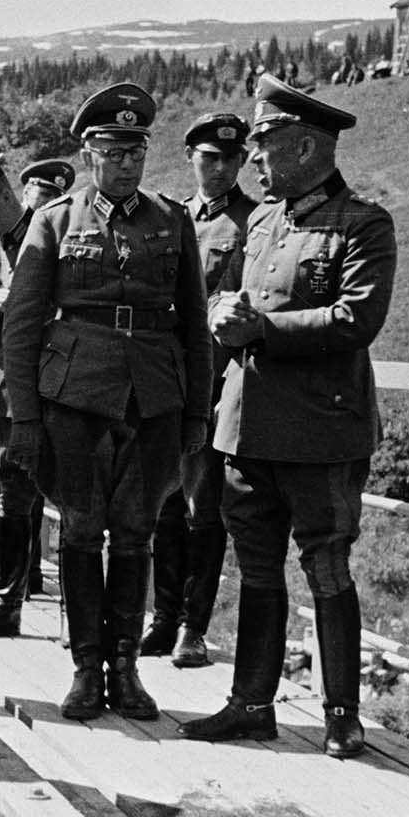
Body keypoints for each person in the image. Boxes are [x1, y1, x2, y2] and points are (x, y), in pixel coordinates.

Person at [179, 76, 396, 759]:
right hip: (249, 427)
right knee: (257, 565)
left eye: (266, 145)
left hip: (320, 430)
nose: (256, 159)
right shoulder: (266, 221)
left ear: (307, 145)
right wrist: (223, 315)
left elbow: (355, 317)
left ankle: (341, 713)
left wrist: (259, 328)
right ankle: (251, 702)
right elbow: (237, 299)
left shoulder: (363, 224)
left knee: (327, 565)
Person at [2, 83, 212, 720]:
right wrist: (24, 417)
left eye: (138, 150)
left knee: (135, 532)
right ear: (91, 151)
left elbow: (194, 325)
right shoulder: (56, 220)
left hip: (153, 400)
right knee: (82, 530)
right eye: (116, 150)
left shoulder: (173, 221)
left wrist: (197, 416)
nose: (128, 162)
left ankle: (126, 669)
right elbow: (21, 323)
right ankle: (86, 668)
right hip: (75, 399)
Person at [142, 113, 257, 668]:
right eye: (207, 158)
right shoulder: (171, 219)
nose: (216, 168)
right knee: (163, 506)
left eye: (228, 160)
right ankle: (162, 618)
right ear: (191, 158)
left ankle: (193, 626)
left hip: (214, 385)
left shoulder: (253, 223)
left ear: (239, 164)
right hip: (164, 385)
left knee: (202, 510)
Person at [0, 157, 74, 637]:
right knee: (12, 499)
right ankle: (8, 605)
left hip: (56, 391)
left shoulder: (56, 235)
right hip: (5, 397)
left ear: (6, 196)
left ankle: (78, 617)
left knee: (72, 501)